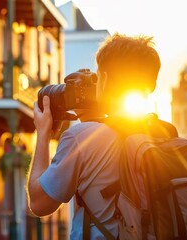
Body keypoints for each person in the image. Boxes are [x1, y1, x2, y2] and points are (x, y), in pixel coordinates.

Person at [27, 33, 162, 239]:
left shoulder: (82, 138)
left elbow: (39, 203)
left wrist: (43, 133)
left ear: (105, 80)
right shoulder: (162, 134)